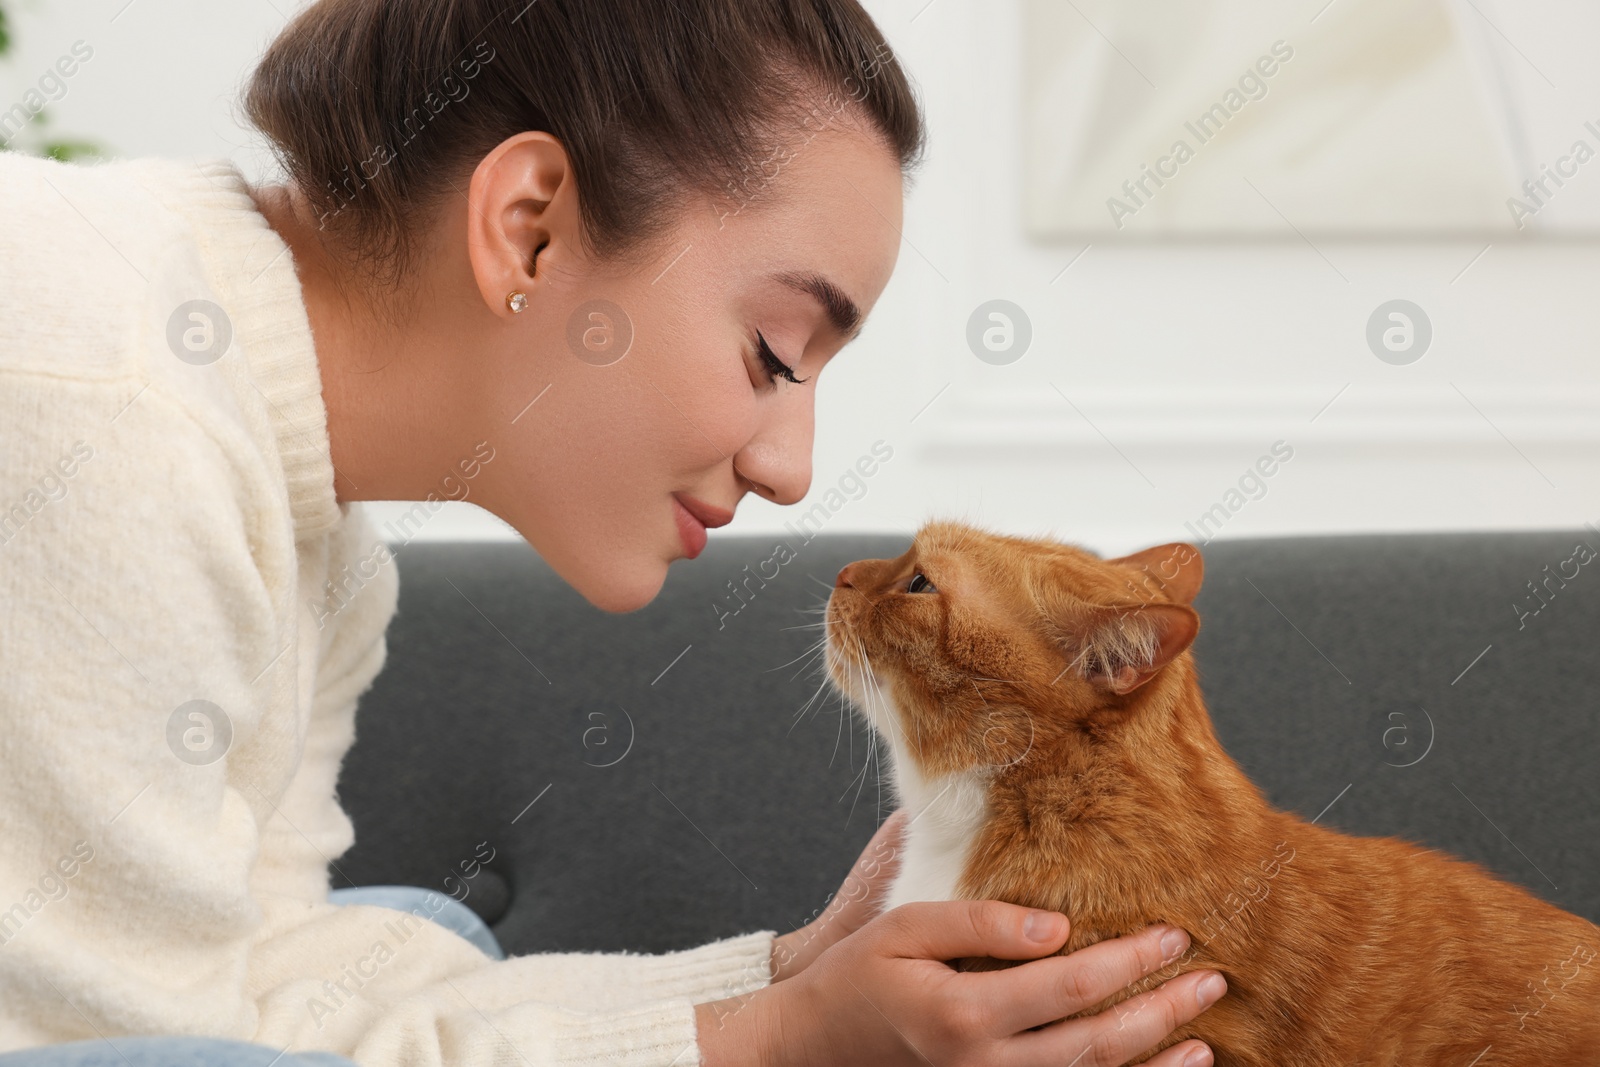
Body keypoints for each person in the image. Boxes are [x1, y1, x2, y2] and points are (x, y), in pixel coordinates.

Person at [0, 0, 1227, 1063]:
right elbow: (154, 1048)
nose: (792, 469)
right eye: (774, 352)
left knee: (424, 946)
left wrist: (783, 979)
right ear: (527, 226)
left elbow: (263, 980)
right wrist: (775, 1044)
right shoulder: (118, 407)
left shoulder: (316, 540)